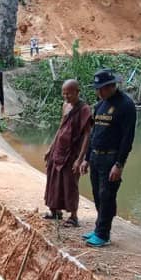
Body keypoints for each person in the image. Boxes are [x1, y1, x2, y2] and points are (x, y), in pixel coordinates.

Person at [79, 69, 137, 247]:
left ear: (112, 86)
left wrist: (119, 164)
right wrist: (86, 158)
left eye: (102, 89)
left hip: (111, 158)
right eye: (97, 89)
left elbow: (128, 138)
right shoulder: (100, 105)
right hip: (96, 156)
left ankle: (103, 234)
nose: (99, 93)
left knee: (107, 196)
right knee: (97, 194)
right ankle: (99, 229)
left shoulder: (126, 105)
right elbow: (95, 133)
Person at [43, 79, 92, 227]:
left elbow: (87, 135)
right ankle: (55, 211)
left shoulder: (84, 110)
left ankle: (74, 217)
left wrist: (80, 158)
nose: (66, 96)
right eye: (64, 93)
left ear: (77, 92)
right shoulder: (65, 105)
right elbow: (60, 128)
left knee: (70, 183)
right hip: (58, 150)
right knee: (53, 180)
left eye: (69, 93)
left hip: (72, 152)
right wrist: (50, 148)